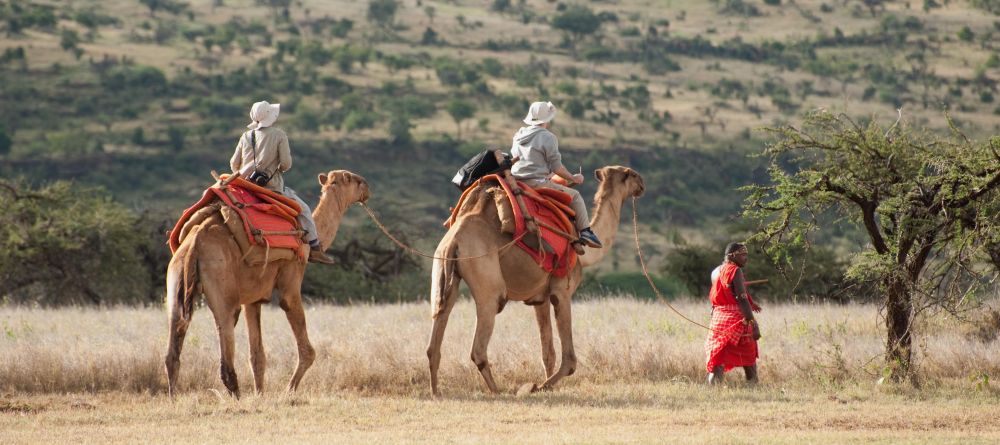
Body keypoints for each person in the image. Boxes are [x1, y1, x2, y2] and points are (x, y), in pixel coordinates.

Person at [230, 100, 335, 265]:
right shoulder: (279, 135)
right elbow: (286, 164)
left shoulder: (246, 136)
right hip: (271, 188)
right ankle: (315, 248)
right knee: (304, 210)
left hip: (245, 187)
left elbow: (234, 164)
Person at [509, 101, 602, 248]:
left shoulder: (519, 134)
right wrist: (573, 178)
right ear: (547, 119)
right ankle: (585, 232)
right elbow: (557, 168)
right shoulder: (548, 137)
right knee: (576, 196)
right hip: (536, 183)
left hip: (516, 181)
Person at [705, 242, 761, 385]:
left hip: (718, 319)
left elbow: (718, 296)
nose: (745, 258)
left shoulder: (715, 271)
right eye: (742, 254)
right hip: (738, 320)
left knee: (718, 359)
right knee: (749, 359)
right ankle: (753, 389)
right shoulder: (735, 270)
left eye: (746, 254)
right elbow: (742, 299)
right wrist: (753, 323)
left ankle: (712, 394)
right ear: (732, 255)